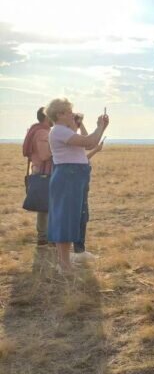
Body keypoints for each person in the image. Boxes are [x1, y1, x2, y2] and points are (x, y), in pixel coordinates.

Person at [45, 99, 108, 272]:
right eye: (68, 112)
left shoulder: (63, 130)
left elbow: (91, 142)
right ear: (59, 115)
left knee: (70, 218)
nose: (72, 114)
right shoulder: (58, 131)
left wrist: (101, 127)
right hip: (68, 176)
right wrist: (100, 126)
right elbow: (90, 142)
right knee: (65, 219)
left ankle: (65, 263)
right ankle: (64, 265)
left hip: (72, 176)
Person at [72, 118, 104, 262]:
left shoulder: (72, 136)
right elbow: (88, 145)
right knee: (79, 214)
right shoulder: (69, 137)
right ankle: (78, 250)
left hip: (80, 177)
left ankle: (78, 249)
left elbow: (88, 142)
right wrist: (96, 150)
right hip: (76, 178)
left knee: (81, 213)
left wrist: (82, 123)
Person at [23, 107, 52, 246]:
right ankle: (44, 237)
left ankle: (44, 236)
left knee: (44, 205)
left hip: (42, 172)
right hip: (44, 173)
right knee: (45, 206)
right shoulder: (42, 132)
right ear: (47, 117)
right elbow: (44, 155)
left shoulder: (40, 130)